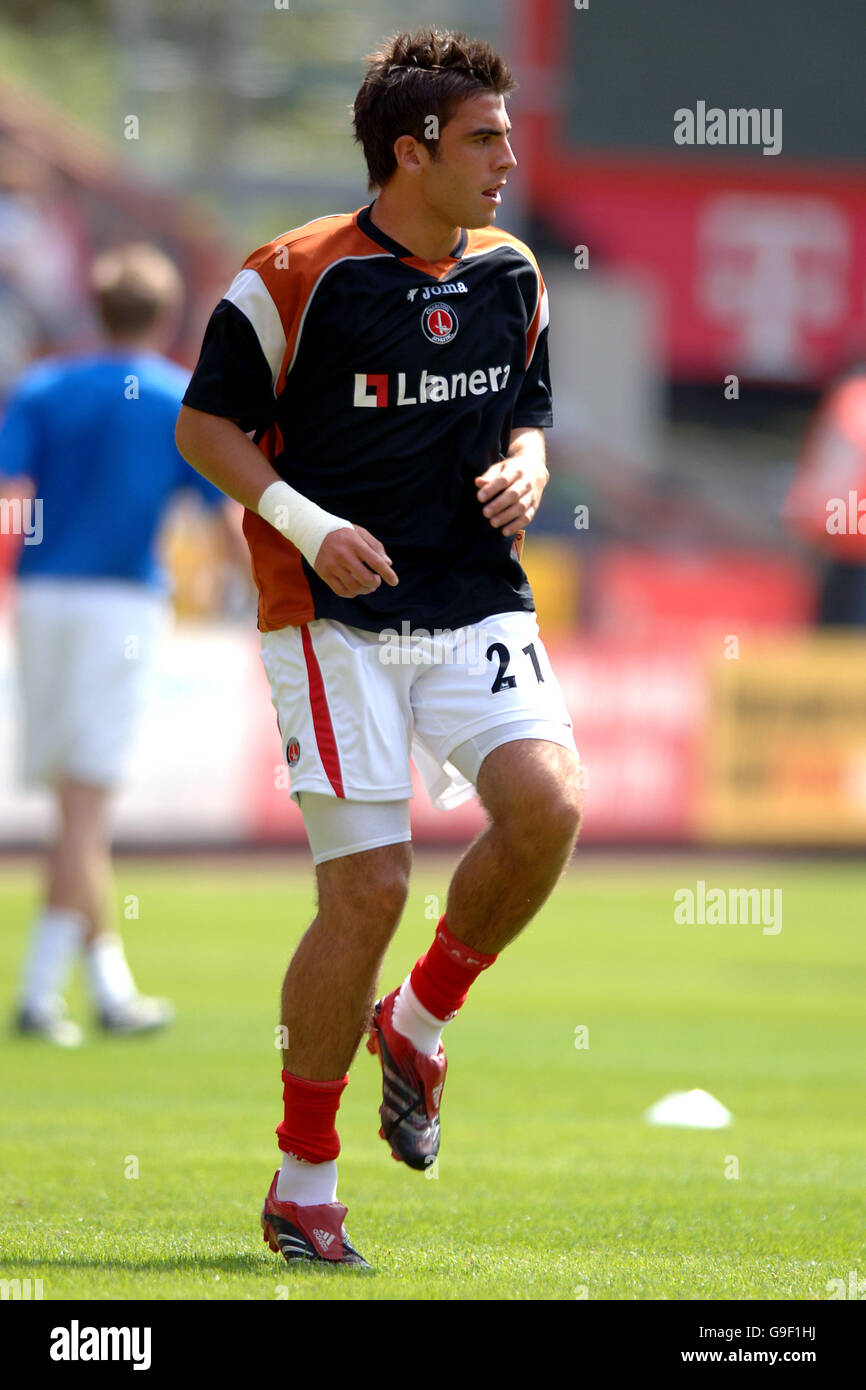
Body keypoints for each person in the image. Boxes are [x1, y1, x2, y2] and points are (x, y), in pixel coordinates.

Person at [176, 28, 584, 1269]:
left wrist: (526, 467)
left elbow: (528, 416)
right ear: (410, 152)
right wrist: (307, 522)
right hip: (331, 619)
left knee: (550, 807)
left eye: (507, 134)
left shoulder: (513, 272)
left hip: (472, 600)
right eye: (484, 138)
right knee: (366, 889)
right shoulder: (293, 276)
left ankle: (418, 1016)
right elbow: (205, 430)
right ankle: (305, 1176)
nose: (509, 157)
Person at [0, 242, 238, 1046]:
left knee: (75, 803)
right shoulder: (178, 399)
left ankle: (109, 988)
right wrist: (260, 597)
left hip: (40, 598)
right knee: (88, 802)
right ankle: (37, 994)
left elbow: (9, 497)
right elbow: (220, 517)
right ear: (165, 317)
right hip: (122, 606)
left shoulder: (44, 385)